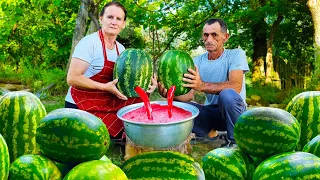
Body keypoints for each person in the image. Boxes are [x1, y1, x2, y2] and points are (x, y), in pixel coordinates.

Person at [65, 2, 157, 140]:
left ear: (123, 24)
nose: (114, 22)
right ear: (101, 19)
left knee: (138, 100)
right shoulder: (89, 43)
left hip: (104, 101)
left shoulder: (121, 50)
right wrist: (104, 87)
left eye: (118, 19)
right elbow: (72, 78)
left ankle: (127, 133)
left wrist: (148, 87)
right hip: (80, 104)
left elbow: (128, 84)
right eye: (110, 17)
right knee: (93, 138)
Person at [158, 18, 249, 148]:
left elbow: (236, 86)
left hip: (234, 111)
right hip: (211, 113)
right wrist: (169, 95)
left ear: (225, 37)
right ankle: (211, 134)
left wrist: (201, 85)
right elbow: (188, 96)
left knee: (227, 94)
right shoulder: (196, 61)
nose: (209, 39)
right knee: (183, 106)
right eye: (206, 35)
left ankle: (236, 144)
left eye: (214, 35)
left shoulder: (236, 55)